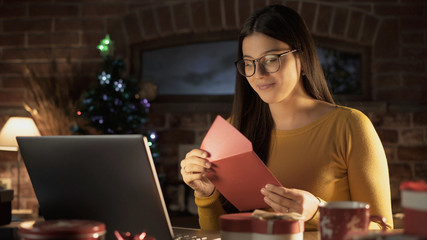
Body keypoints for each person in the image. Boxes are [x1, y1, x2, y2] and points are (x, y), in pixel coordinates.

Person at [180, 4, 393, 231]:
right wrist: (207, 195)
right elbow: (218, 236)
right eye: (249, 63)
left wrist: (317, 212)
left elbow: (382, 228)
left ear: (302, 58)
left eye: (271, 59)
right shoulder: (235, 130)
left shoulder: (349, 126)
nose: (259, 74)